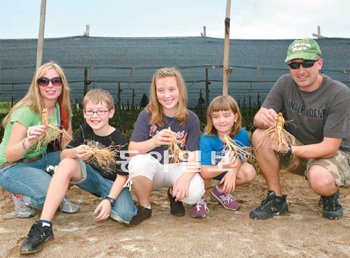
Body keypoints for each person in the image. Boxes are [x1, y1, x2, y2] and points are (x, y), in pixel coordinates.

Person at [20, 89, 137, 254]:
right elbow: (64, 154)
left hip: (114, 184)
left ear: (111, 113)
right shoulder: (83, 131)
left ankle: (116, 203)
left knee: (126, 215)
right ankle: (44, 225)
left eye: (101, 111)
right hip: (92, 178)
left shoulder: (120, 140)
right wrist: (76, 152)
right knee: (67, 163)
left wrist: (109, 200)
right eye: (90, 111)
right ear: (84, 113)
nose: (95, 116)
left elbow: (123, 176)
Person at [249, 38, 350, 220]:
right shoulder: (285, 83)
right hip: (299, 149)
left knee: (321, 181)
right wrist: (262, 118)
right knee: (260, 135)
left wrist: (290, 150)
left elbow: (330, 147)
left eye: (307, 63)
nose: (301, 71)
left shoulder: (339, 93)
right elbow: (257, 119)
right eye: (294, 65)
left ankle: (329, 194)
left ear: (320, 63)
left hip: (333, 155)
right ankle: (277, 199)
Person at [0, 62, 79, 219]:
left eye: (56, 81)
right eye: (44, 81)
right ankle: (21, 196)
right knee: (47, 198)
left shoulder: (62, 109)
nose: (50, 85)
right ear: (37, 85)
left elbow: (66, 146)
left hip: (40, 159)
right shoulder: (26, 111)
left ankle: (56, 192)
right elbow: (10, 155)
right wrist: (28, 140)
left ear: (63, 84)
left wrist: (80, 152)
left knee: (78, 164)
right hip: (12, 165)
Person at [127, 67, 205, 226]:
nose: (167, 95)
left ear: (180, 90)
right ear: (155, 93)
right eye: (161, 90)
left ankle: (173, 194)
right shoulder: (147, 114)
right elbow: (131, 150)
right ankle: (145, 206)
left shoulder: (191, 119)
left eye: (171, 89)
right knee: (138, 163)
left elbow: (194, 156)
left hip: (177, 167)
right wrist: (154, 141)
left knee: (195, 192)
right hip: (154, 169)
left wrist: (185, 178)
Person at [191, 95, 256, 218]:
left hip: (227, 169)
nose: (221, 120)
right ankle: (201, 199)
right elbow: (205, 171)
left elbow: (239, 157)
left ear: (235, 117)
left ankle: (220, 191)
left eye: (226, 115)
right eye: (216, 116)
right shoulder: (206, 139)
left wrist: (232, 172)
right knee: (199, 171)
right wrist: (222, 166)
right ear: (211, 119)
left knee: (249, 172)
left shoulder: (242, 134)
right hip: (209, 170)